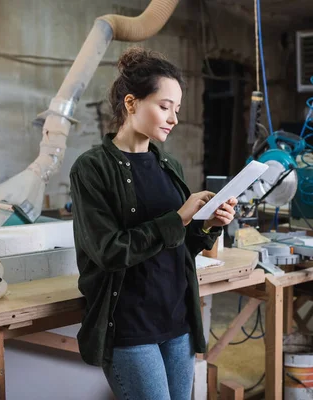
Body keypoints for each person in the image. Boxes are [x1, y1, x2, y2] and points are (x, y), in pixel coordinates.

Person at [69, 46, 238, 400]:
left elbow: (179, 247)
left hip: (176, 321)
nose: (174, 118)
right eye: (164, 107)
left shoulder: (169, 166)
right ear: (131, 104)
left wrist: (207, 226)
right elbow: (109, 251)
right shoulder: (92, 168)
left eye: (176, 109)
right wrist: (178, 217)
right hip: (130, 327)